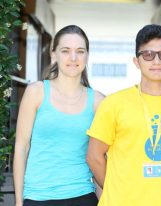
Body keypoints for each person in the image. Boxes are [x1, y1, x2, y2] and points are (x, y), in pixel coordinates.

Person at [86, 24, 161, 206]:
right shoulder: (113, 104)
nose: (156, 61)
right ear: (136, 61)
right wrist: (120, 187)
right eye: (148, 55)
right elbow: (94, 157)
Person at [13, 25, 105, 206]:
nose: (73, 58)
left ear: (87, 56)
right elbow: (21, 147)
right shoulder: (36, 93)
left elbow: (100, 157)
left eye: (80, 51)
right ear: (54, 55)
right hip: (37, 197)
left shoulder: (98, 102)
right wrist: (18, 201)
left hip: (83, 196)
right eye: (65, 51)